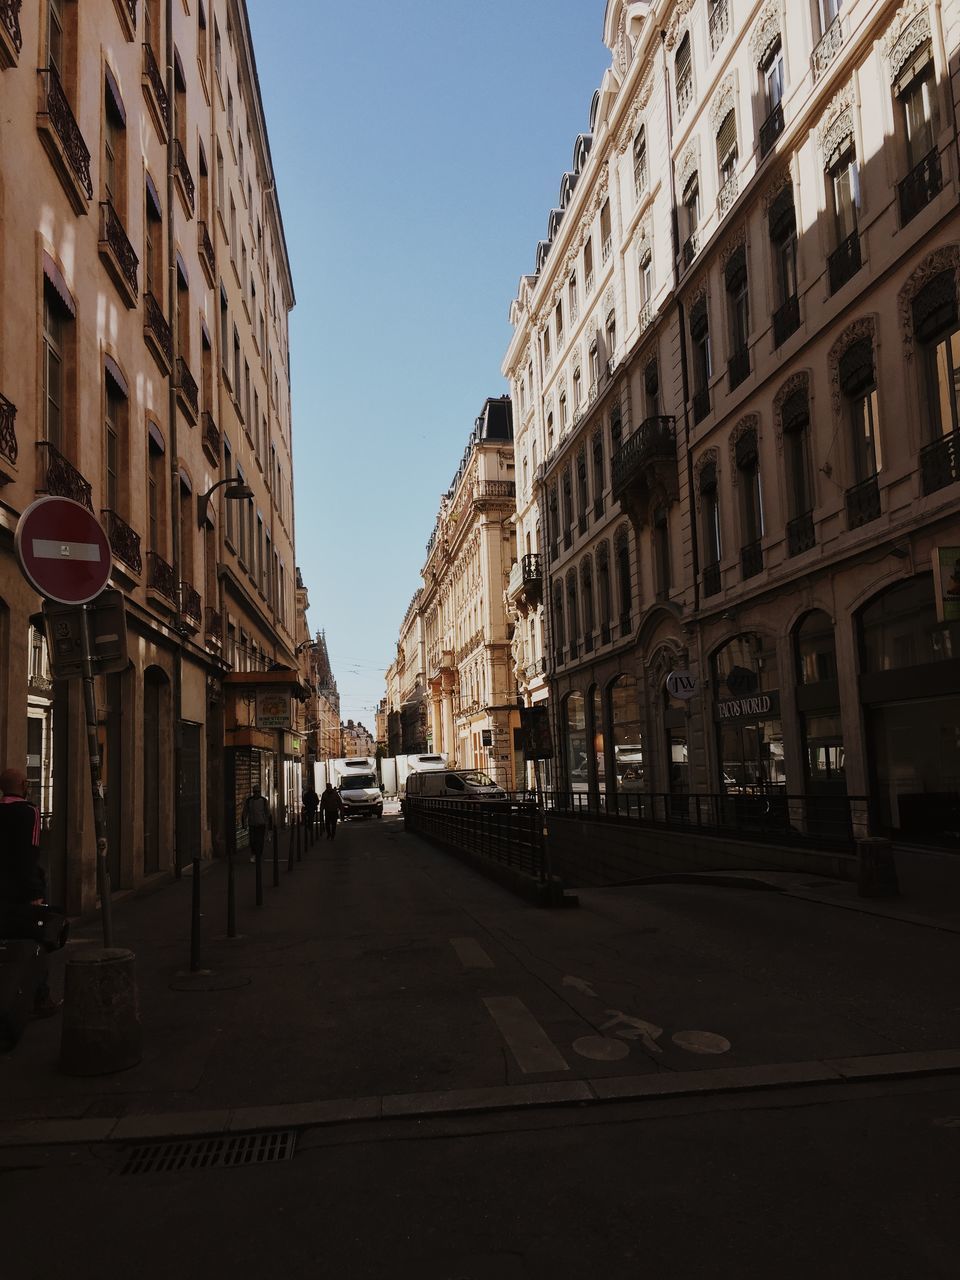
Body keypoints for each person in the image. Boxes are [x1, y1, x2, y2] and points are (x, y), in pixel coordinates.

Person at [0, 767, 59, 1016]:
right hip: (23, 891)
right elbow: (30, 854)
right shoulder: (29, 812)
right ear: (24, 785)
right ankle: (40, 998)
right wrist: (35, 891)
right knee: (36, 941)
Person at [241, 784, 272, 863]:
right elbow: (245, 812)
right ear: (253, 792)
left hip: (261, 824)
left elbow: (267, 813)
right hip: (252, 824)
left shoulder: (263, 800)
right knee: (252, 840)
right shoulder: (249, 801)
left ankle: (259, 854)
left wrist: (269, 826)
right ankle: (254, 853)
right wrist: (244, 823)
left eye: (258, 792)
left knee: (260, 841)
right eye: (255, 792)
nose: (256, 793)